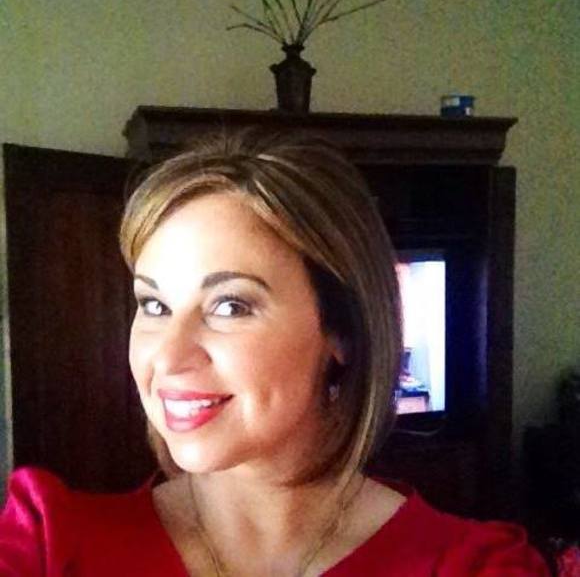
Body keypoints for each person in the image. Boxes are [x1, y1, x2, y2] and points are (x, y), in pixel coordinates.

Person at [0, 130, 548, 576]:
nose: (167, 357)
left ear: (342, 332)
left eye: (230, 306)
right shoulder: (50, 542)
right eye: (155, 305)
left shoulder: (472, 567)